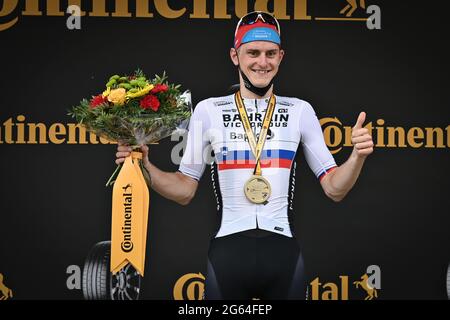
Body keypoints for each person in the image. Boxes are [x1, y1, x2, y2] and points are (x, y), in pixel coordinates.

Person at [115, 11, 374, 299]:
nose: (262, 62)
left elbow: (334, 188)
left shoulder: (300, 111)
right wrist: (143, 166)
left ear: (281, 56)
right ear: (235, 56)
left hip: (283, 253)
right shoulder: (208, 110)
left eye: (270, 53)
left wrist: (357, 157)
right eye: (253, 52)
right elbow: (184, 190)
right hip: (227, 254)